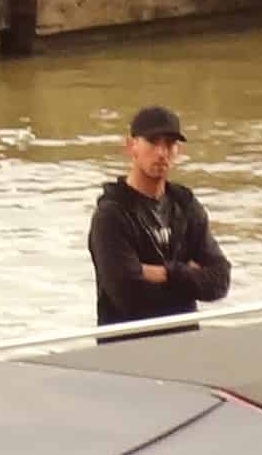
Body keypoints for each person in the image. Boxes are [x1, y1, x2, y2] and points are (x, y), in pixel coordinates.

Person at [88, 105, 232, 328]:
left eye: (170, 144)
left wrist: (166, 273)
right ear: (131, 146)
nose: (162, 152)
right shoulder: (112, 214)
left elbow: (220, 280)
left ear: (178, 151)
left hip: (185, 342)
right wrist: (189, 275)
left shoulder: (185, 205)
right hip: (126, 348)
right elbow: (127, 295)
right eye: (153, 142)